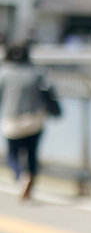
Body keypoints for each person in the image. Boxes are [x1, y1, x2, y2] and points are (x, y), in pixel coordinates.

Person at [0, 43, 58, 203]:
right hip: (35, 119)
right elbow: (48, 92)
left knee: (12, 154)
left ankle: (21, 177)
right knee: (32, 154)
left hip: (12, 120)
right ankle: (30, 178)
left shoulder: (4, 73)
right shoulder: (36, 72)